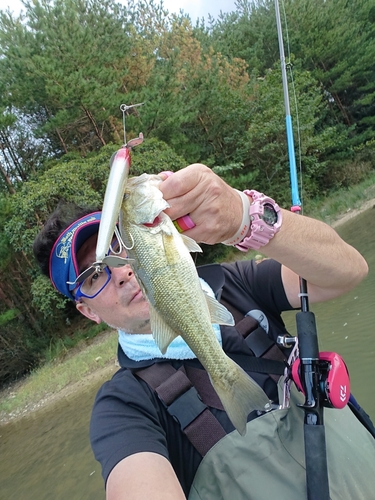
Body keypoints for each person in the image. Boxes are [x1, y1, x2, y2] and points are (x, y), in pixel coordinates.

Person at [33, 163, 373, 500]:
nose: (119, 272)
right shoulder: (123, 407)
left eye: (116, 248)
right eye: (94, 275)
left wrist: (245, 217)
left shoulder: (236, 285)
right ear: (88, 311)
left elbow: (349, 270)